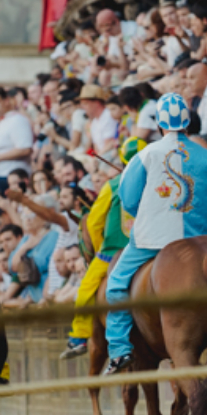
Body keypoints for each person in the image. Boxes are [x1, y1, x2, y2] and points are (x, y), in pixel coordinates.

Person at [102, 93, 207, 374]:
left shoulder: (145, 154)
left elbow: (128, 200)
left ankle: (119, 349)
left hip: (153, 240)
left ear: (160, 125)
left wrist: (152, 211)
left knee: (115, 285)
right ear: (187, 124)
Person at [61, 137, 144, 359]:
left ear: (123, 159)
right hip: (151, 247)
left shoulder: (113, 185)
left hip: (112, 252)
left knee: (86, 289)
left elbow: (94, 221)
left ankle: (78, 337)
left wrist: (100, 248)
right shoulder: (156, 183)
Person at [0, 87, 34, 212]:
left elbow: (25, 149)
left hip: (11, 175)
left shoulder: (17, 120)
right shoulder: (3, 122)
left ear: (7, 101)